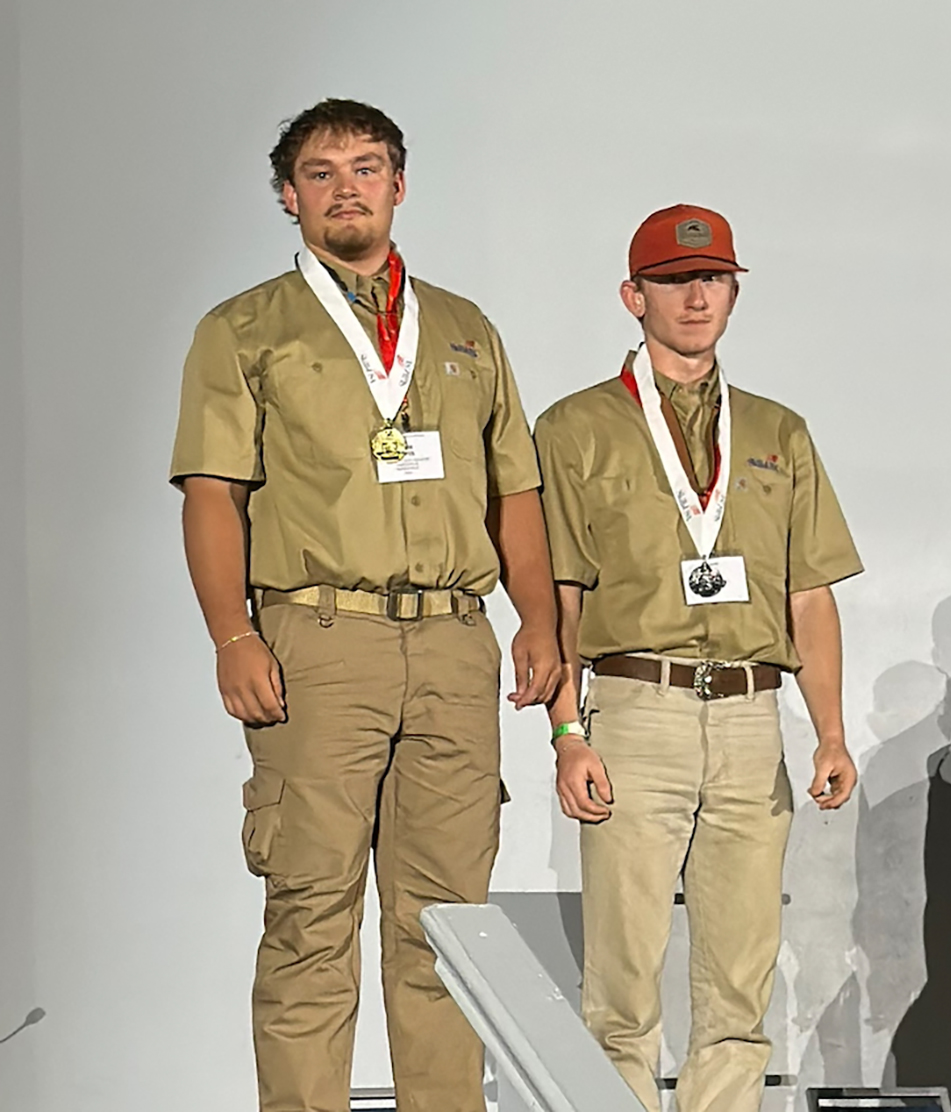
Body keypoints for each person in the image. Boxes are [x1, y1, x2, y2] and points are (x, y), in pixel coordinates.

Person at [170, 98, 560, 1112]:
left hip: (454, 640)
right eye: (322, 172)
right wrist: (232, 633)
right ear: (288, 196)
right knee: (311, 914)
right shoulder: (244, 328)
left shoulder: (465, 328)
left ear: (399, 184)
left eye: (367, 167)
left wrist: (540, 621)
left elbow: (514, 491)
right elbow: (212, 490)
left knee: (448, 926)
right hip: (318, 638)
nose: (346, 188)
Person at [534, 204, 863, 1112]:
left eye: (712, 279)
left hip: (752, 718)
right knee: (622, 989)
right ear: (632, 295)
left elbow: (809, 593)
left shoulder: (777, 431)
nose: (695, 297)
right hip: (638, 709)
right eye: (675, 281)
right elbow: (558, 593)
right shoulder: (576, 427)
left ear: (733, 293)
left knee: (739, 992)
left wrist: (830, 731)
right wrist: (566, 732)